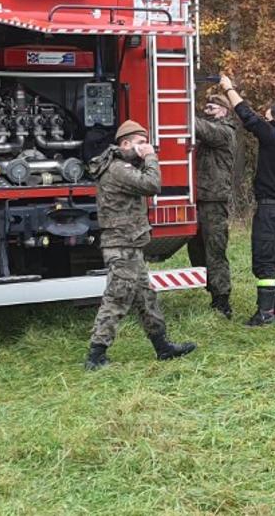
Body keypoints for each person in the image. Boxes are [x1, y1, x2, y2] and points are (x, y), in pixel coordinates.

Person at [83, 121, 198, 370]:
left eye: (145, 143)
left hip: (130, 243)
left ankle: (162, 347)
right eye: (139, 143)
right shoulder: (117, 169)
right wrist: (151, 158)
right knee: (117, 298)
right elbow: (152, 185)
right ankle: (96, 355)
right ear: (125, 144)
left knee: (146, 298)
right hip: (121, 245)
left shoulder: (120, 165)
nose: (144, 147)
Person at [219, 75, 275, 326]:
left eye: (268, 116)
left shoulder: (274, 138)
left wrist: (228, 89)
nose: (264, 119)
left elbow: (247, 116)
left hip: (269, 210)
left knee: (265, 261)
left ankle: (265, 313)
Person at [189, 89, 240, 317]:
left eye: (212, 108)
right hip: (200, 197)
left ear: (224, 111)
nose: (206, 110)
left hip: (214, 199)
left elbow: (200, 127)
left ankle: (222, 300)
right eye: (205, 107)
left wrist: (180, 111)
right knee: (197, 250)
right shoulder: (208, 133)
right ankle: (212, 288)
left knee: (215, 249)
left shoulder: (224, 132)